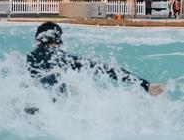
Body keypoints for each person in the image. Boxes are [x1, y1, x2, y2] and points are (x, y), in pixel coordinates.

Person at [27, 22, 164, 97]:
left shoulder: (30, 58)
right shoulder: (65, 59)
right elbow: (106, 70)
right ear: (59, 41)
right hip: (56, 105)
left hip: (34, 103)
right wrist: (145, 85)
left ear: (37, 40)